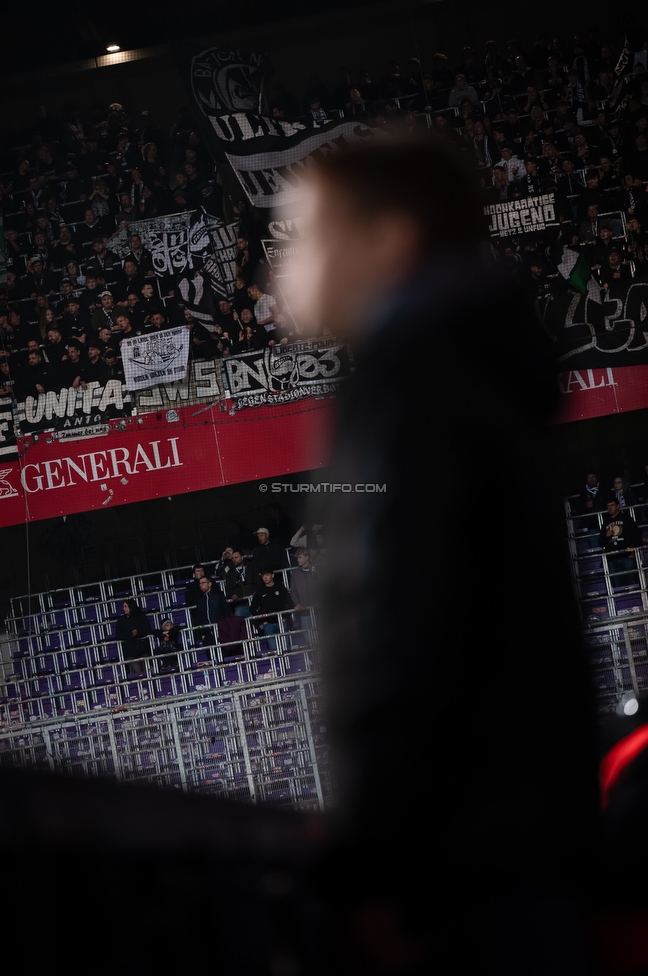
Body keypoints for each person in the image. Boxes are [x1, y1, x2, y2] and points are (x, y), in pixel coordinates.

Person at [294, 138, 598, 973]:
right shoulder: (470, 372)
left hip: (458, 866)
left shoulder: (408, 389)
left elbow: (400, 622)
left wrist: (374, 860)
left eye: (303, 236)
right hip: (520, 844)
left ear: (388, 242)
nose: (282, 265)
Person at [599, 497, 643, 590]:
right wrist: (607, 536)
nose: (609, 508)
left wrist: (634, 550)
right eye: (608, 506)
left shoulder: (626, 519)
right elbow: (601, 543)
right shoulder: (606, 522)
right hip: (612, 558)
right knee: (619, 587)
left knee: (633, 584)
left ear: (618, 506)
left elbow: (637, 535)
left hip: (626, 556)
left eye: (612, 505)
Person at [249, 570, 293, 652]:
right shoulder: (260, 591)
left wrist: (285, 617)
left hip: (281, 623)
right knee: (274, 651)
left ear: (272, 575)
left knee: (285, 649)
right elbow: (252, 609)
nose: (265, 577)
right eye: (263, 576)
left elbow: (290, 604)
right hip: (268, 625)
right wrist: (263, 620)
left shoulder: (280, 588)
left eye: (267, 574)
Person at [115, 599, 152, 677]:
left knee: (148, 674)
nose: (124, 609)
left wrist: (138, 633)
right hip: (131, 653)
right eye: (123, 607)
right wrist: (130, 634)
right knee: (138, 675)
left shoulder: (141, 617)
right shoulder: (121, 621)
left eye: (126, 606)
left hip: (144, 650)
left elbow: (148, 630)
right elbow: (119, 636)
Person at [192, 577, 228, 649]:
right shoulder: (200, 601)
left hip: (221, 630)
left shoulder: (218, 596)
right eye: (200, 583)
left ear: (210, 584)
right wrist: (202, 634)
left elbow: (226, 611)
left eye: (203, 583)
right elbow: (198, 618)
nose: (201, 585)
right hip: (207, 633)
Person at [224, 549, 256, 616]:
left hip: (255, 601)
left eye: (236, 557)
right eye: (232, 558)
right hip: (240, 604)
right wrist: (232, 595)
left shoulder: (251, 568)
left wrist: (256, 592)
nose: (234, 559)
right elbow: (228, 588)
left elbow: (258, 582)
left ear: (242, 557)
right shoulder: (230, 573)